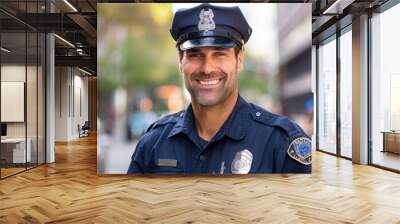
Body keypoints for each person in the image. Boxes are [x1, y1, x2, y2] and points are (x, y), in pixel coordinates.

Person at [127, 3, 312, 174]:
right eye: (195, 55)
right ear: (180, 61)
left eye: (219, 54)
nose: (207, 68)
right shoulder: (153, 143)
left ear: (239, 60)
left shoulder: (280, 143)